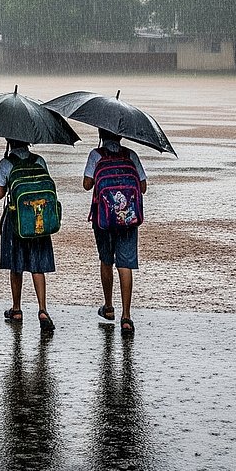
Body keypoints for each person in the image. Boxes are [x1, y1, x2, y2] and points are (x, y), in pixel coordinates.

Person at [83, 128, 147, 336]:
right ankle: (126, 316)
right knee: (125, 264)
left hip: (103, 219)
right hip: (128, 219)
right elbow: (143, 187)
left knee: (106, 260)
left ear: (101, 133)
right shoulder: (131, 155)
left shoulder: (96, 155)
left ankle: (109, 306)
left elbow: (86, 185)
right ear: (120, 135)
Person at [0, 139, 56, 332]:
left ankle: (16, 309)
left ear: (9, 140)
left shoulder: (6, 163)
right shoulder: (39, 161)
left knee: (16, 265)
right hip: (39, 220)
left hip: (16, 220)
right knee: (37, 266)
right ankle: (42, 309)